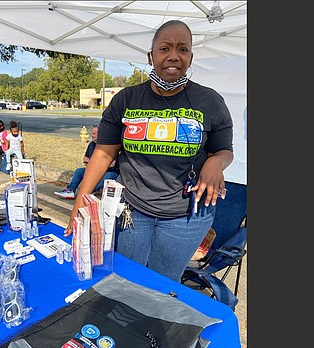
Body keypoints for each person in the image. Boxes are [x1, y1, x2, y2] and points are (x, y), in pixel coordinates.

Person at [64, 20, 234, 282]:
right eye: (164, 48)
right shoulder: (126, 99)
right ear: (150, 56)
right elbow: (103, 154)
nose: (173, 56)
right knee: (125, 276)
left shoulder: (210, 101)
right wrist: (81, 199)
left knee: (162, 283)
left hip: (184, 217)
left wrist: (216, 163)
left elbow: (224, 151)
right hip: (133, 211)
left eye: (182, 49)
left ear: (190, 57)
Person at [54, 125, 118, 199]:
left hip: (110, 171)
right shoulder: (91, 144)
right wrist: (95, 164)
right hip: (94, 168)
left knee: (107, 177)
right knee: (79, 171)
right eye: (92, 133)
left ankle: (89, 192)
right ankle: (70, 190)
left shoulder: (109, 146)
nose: (92, 136)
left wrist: (92, 163)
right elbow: (85, 159)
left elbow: (112, 164)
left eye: (94, 134)